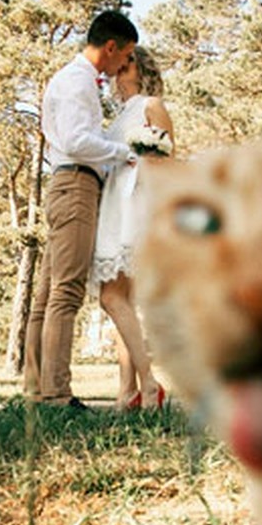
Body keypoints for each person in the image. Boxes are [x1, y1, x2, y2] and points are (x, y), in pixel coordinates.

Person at [24, 10, 138, 410]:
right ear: (111, 47)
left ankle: (35, 390)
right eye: (125, 56)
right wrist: (124, 152)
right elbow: (75, 140)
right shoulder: (77, 82)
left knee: (47, 295)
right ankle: (56, 395)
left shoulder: (76, 80)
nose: (124, 65)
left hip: (67, 183)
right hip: (75, 185)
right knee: (66, 292)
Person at [91, 46, 172, 410]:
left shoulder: (151, 105)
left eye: (130, 62)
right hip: (113, 203)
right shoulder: (118, 116)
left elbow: (166, 162)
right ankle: (126, 393)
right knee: (120, 300)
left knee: (111, 298)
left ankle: (150, 384)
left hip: (135, 205)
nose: (121, 68)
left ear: (141, 69)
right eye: (120, 64)